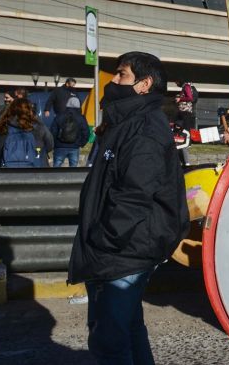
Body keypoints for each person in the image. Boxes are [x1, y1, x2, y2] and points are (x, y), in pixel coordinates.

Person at [68, 52, 188, 364]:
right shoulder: (127, 122)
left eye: (122, 75)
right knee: (129, 329)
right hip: (125, 245)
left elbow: (135, 194)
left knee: (109, 341)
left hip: (125, 248)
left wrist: (105, 240)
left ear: (143, 84)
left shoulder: (144, 128)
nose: (114, 81)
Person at [0, 98, 53, 167]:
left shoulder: (2, 126)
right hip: (37, 168)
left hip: (8, 170)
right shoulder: (38, 126)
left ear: (10, 109)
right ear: (30, 109)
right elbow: (50, 144)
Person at [51, 97, 90, 167]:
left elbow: (53, 131)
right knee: (73, 170)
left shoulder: (59, 116)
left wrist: (54, 143)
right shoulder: (81, 118)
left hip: (59, 146)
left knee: (56, 169)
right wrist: (80, 144)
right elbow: (86, 132)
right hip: (74, 147)